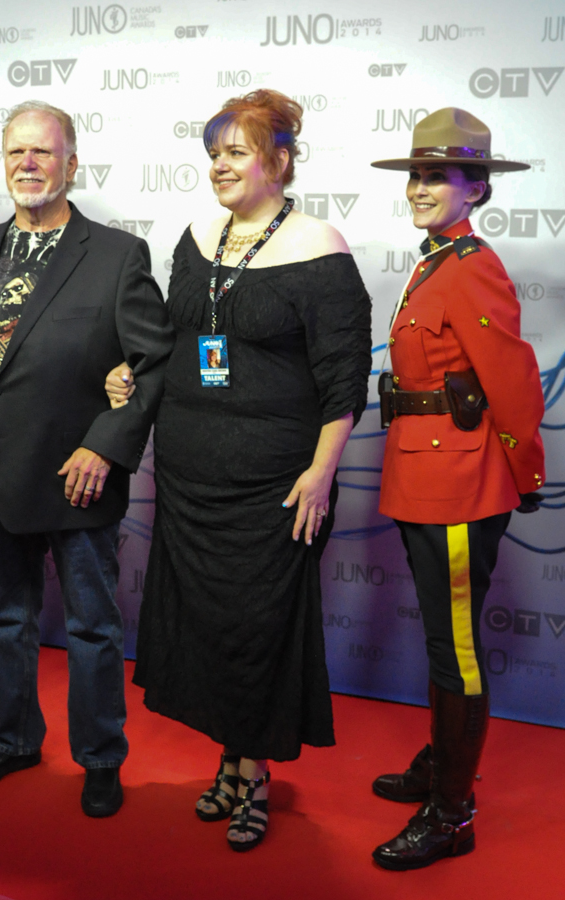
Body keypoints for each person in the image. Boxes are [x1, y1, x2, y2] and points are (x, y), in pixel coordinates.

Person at [106, 89, 371, 850]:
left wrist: (320, 474)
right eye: (213, 151)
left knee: (258, 629)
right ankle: (233, 760)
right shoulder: (194, 238)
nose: (218, 164)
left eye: (235, 151)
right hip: (188, 474)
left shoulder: (321, 247)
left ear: (279, 161)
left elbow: (343, 380)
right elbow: (170, 339)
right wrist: (128, 372)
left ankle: (252, 776)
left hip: (276, 483)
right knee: (212, 629)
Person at [0, 101, 174, 817]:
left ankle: (100, 757)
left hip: (76, 477)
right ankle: (15, 738)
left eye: (43, 152)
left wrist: (105, 443)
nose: (28, 165)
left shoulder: (117, 255)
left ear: (71, 163)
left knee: (93, 627)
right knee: (5, 617)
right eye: (15, 154)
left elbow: (152, 364)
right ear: (4, 164)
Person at [368, 108, 546, 869]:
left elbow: (510, 379)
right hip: (422, 469)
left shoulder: (471, 264)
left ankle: (453, 812)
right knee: (446, 639)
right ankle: (444, 765)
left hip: (461, 482)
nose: (421, 187)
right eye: (416, 173)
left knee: (458, 650)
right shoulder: (434, 258)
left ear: (476, 187)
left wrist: (524, 470)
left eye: (438, 175)